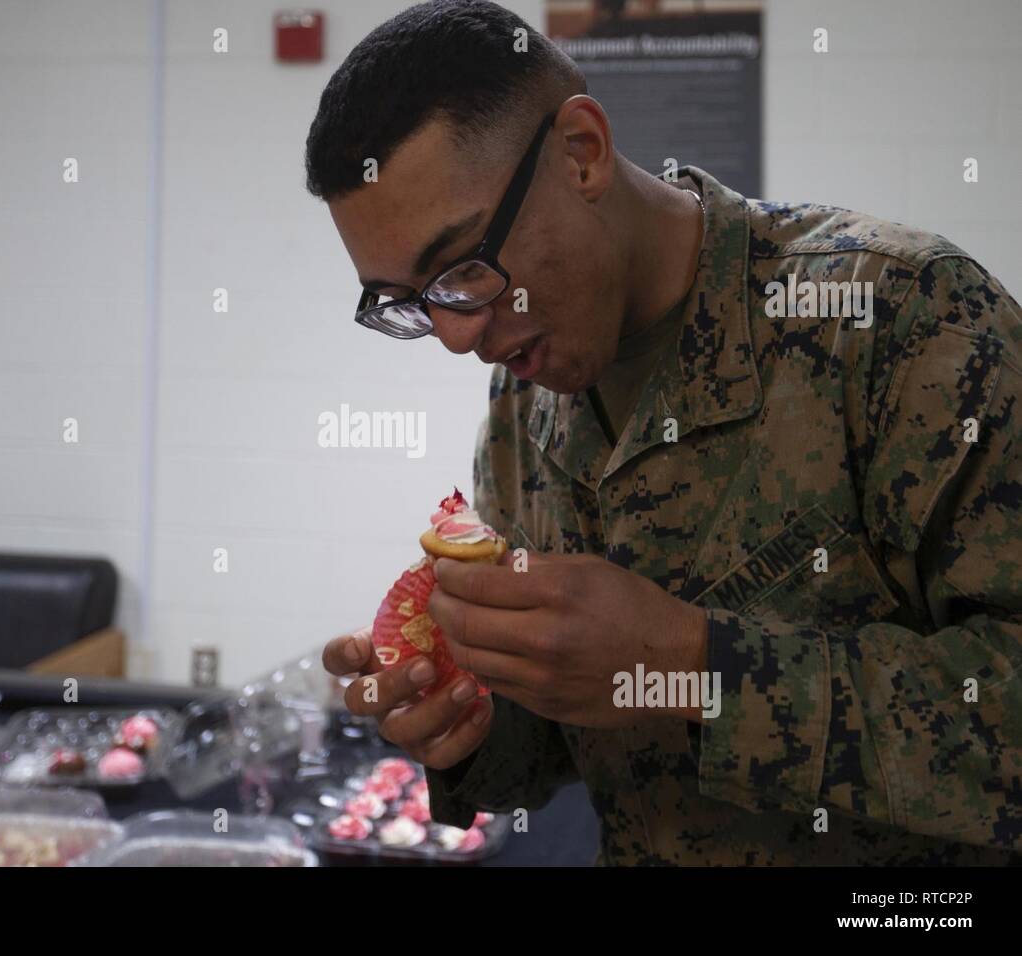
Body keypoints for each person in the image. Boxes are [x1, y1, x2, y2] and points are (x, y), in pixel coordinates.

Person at [309, 0, 1022, 864]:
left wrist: (696, 662)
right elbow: (580, 743)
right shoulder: (523, 398)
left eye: (462, 267)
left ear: (582, 153)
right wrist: (474, 717)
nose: (456, 335)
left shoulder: (898, 320)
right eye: (408, 303)